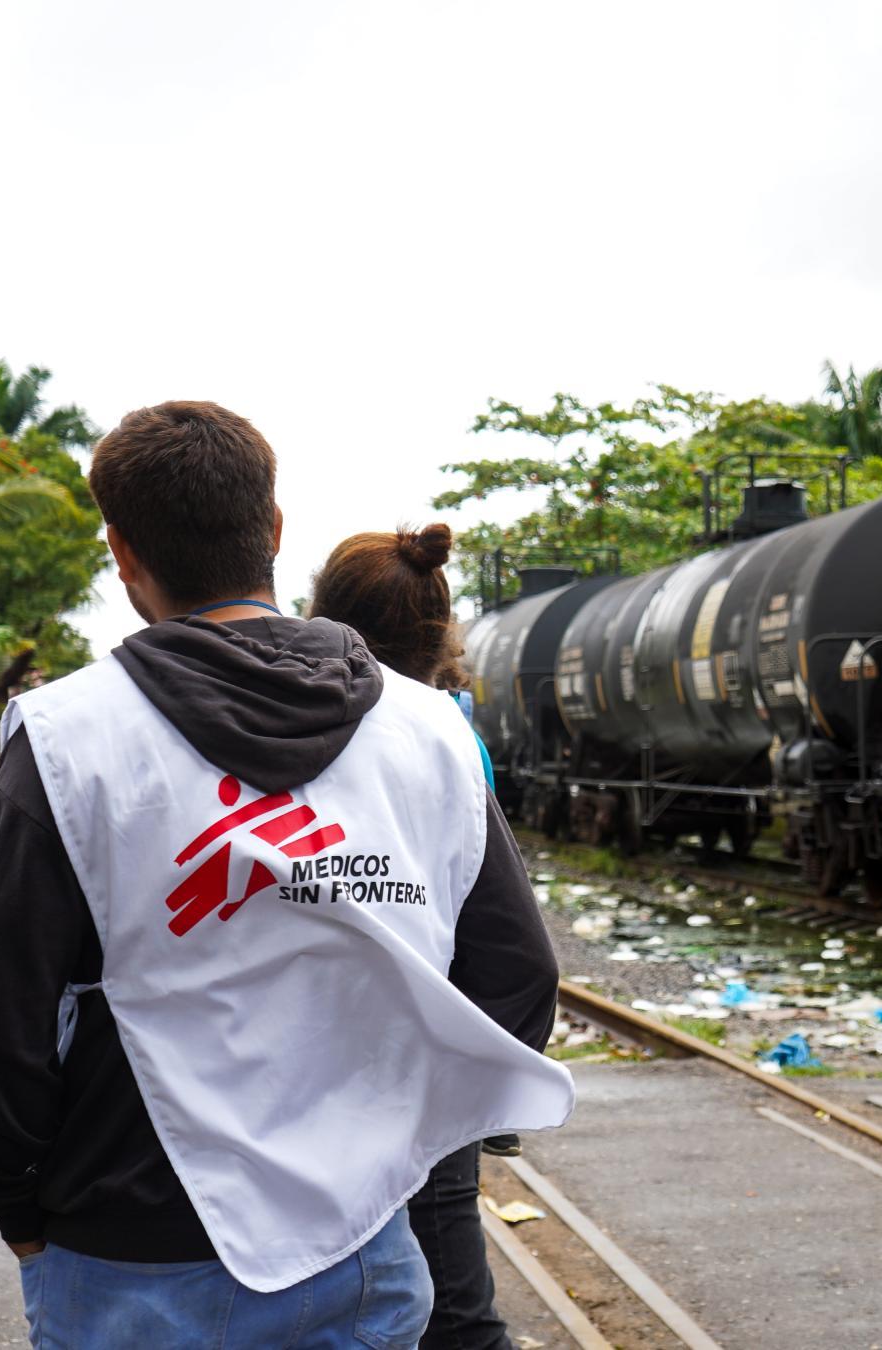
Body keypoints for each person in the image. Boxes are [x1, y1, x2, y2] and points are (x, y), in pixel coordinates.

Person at [0, 402, 573, 1347]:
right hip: (364, 1253)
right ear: (273, 530)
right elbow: (517, 986)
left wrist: (13, 1212)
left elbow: (2, 1029)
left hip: (129, 1257)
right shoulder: (432, 733)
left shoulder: (67, 741)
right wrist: (381, 1145)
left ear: (122, 555)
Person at [309, 524, 559, 1350]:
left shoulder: (298, 727)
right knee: (455, 1304)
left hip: (311, 1065)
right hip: (423, 1066)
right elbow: (517, 956)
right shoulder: (454, 736)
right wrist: (485, 1092)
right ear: (440, 627)